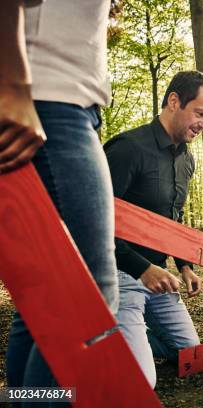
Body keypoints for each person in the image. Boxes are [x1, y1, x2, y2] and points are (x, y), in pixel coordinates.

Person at [2, 0, 119, 393]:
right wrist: (13, 86)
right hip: (50, 104)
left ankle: (26, 400)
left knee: (43, 301)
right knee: (89, 295)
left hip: (65, 105)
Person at [104, 70, 203, 387]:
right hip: (119, 276)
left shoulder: (187, 160)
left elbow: (173, 218)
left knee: (190, 354)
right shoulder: (127, 149)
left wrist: (183, 265)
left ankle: (131, 336)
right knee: (143, 382)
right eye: (200, 113)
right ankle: (109, 334)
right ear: (174, 101)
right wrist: (142, 269)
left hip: (159, 278)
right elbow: (95, 222)